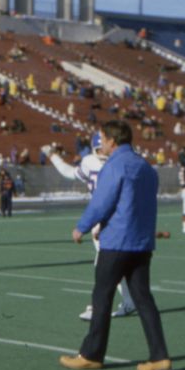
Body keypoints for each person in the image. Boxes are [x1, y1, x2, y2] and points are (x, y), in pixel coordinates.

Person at [59, 119, 172, 370]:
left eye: (101, 138)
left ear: (112, 140)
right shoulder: (145, 166)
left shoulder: (114, 166)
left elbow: (103, 201)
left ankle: (91, 354)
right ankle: (159, 355)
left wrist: (82, 226)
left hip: (117, 241)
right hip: (141, 243)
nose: (100, 143)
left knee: (102, 296)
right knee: (144, 300)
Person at [43, 137, 135, 320]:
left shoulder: (95, 162)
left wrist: (53, 156)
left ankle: (98, 306)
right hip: (117, 218)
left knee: (105, 265)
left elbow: (70, 172)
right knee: (116, 264)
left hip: (107, 219)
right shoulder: (119, 161)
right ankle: (129, 301)